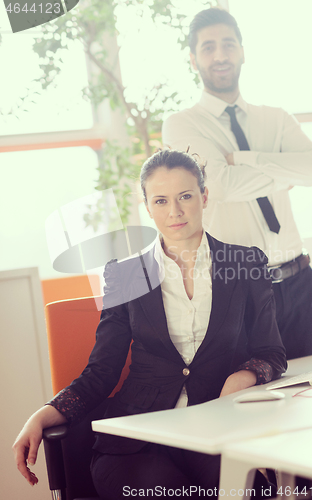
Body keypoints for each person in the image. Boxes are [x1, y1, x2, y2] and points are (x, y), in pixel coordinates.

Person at [13, 150, 286, 499]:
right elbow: (101, 372)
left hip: (218, 430)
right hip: (138, 440)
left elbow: (271, 352)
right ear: (147, 206)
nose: (175, 211)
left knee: (249, 492)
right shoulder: (126, 275)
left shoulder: (245, 262)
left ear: (204, 196)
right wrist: (41, 415)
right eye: (161, 200)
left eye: (185, 196)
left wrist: (240, 378)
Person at [162, 8, 312, 360]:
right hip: (241, 286)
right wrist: (284, 174)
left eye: (228, 44)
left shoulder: (276, 118)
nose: (220, 55)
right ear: (193, 59)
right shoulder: (182, 125)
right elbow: (221, 186)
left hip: (299, 279)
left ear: (242, 51)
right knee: (252, 399)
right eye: (208, 48)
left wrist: (249, 159)